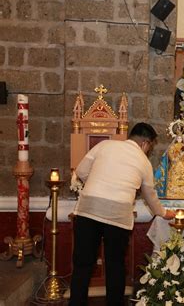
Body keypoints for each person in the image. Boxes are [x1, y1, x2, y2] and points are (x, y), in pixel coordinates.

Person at [69, 123, 175, 306]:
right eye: (149, 145)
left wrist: (96, 185)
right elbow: (150, 195)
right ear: (145, 143)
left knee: (83, 264)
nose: (148, 149)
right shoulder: (143, 162)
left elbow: (81, 171)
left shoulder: (105, 145)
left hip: (89, 208)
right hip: (117, 214)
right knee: (115, 265)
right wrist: (164, 213)